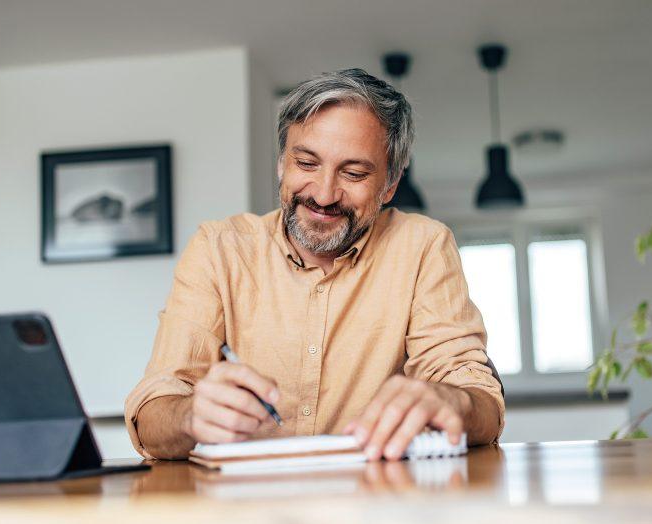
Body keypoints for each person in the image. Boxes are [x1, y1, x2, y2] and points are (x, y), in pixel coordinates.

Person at [124, 68, 504, 461]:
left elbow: (482, 403)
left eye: (354, 173)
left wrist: (454, 400)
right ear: (281, 164)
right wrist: (188, 414)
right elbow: (153, 410)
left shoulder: (423, 246)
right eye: (306, 164)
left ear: (390, 185)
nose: (324, 195)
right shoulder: (219, 249)